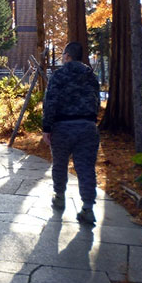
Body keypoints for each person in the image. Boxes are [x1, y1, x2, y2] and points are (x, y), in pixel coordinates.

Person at [42, 41, 100, 225]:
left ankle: (59, 197)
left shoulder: (59, 75)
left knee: (60, 164)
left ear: (67, 56)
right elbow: (97, 101)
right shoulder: (90, 75)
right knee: (86, 168)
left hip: (63, 127)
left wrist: (47, 128)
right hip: (87, 126)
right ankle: (88, 208)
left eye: (63, 54)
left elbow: (50, 102)